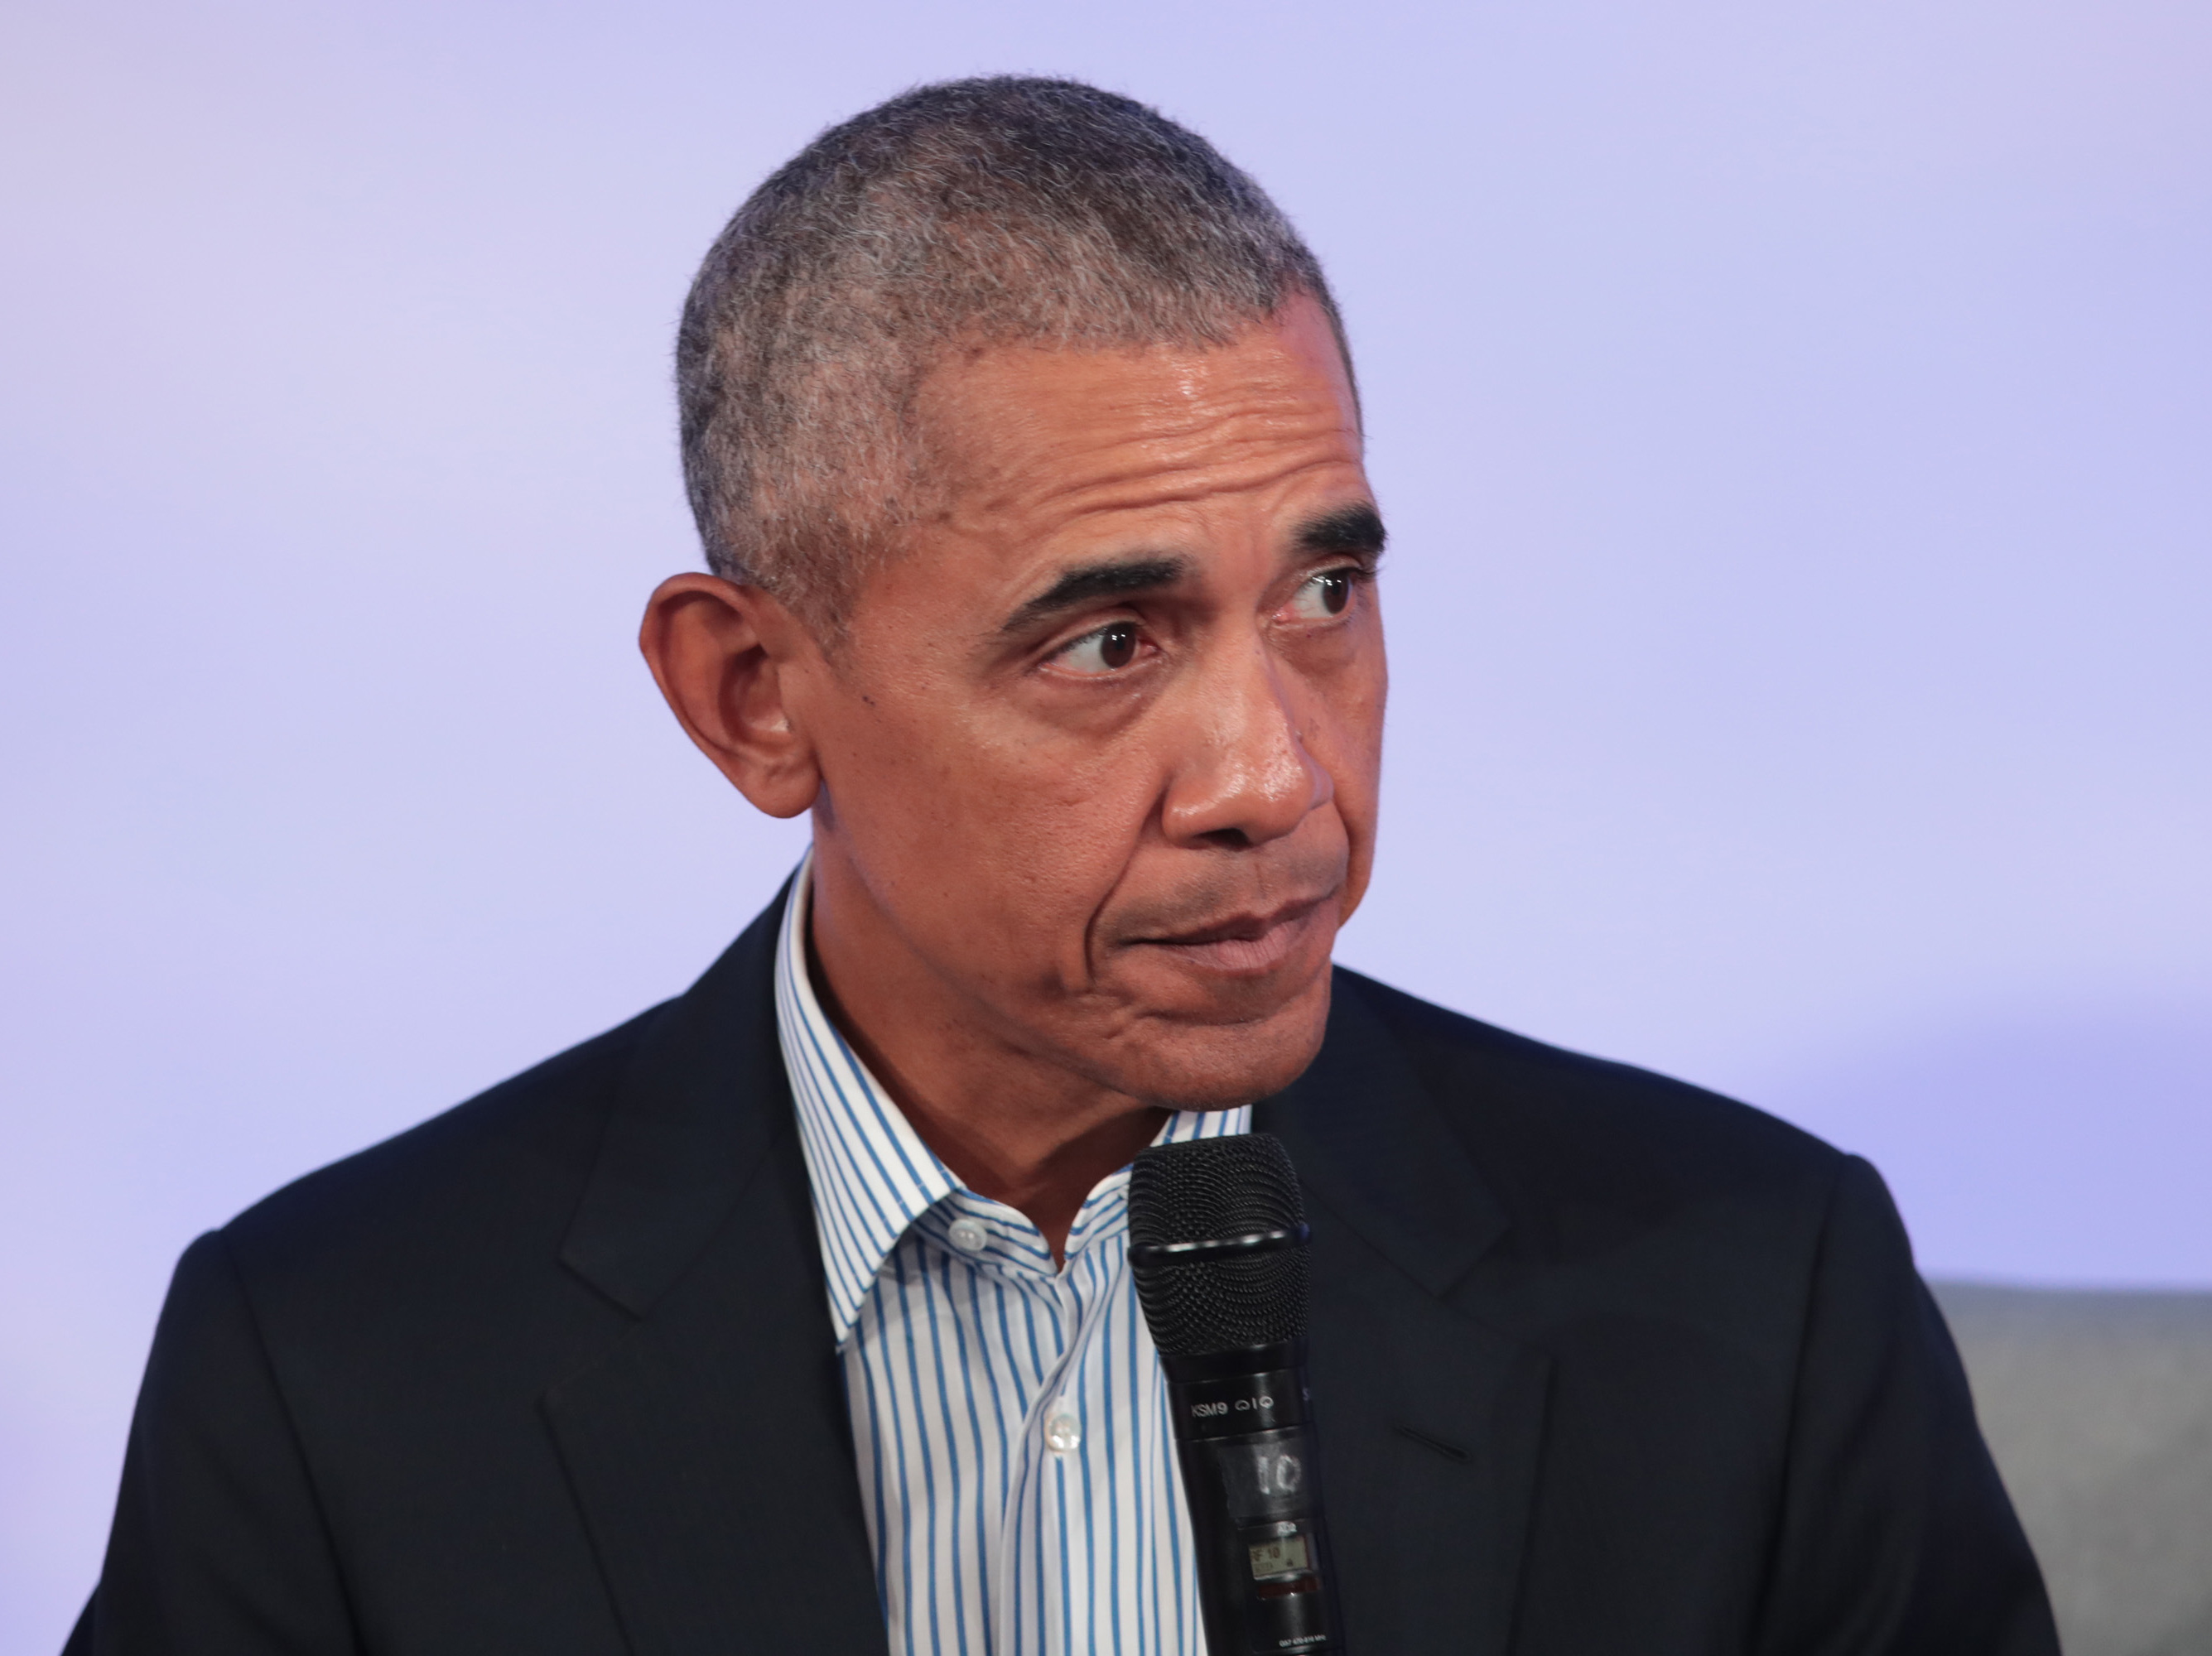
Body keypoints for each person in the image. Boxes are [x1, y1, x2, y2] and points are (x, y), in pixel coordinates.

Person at [67, 76, 2057, 1655]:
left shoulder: (1756, 1295)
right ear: (754, 696)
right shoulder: (336, 1367)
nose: (1272, 776)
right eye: (1109, 643)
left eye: (1325, 594)